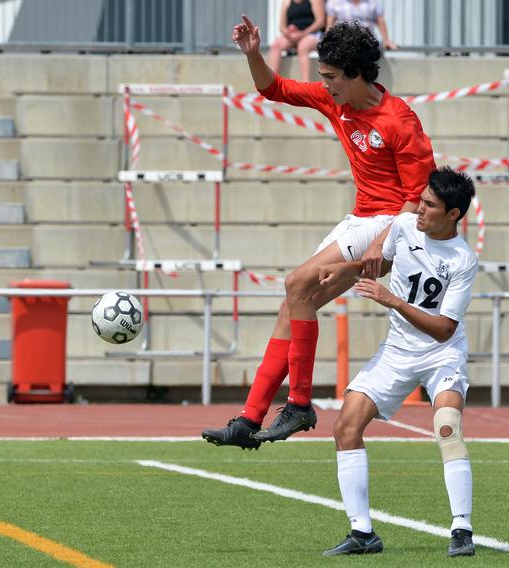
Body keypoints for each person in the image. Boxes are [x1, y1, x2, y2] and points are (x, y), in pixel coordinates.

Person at [202, 19, 435, 449]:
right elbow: (274, 89)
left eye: (329, 77)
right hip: (360, 220)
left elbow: (418, 195)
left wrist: (385, 244)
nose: (323, 85)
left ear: (355, 73)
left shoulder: (400, 119)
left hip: (391, 224)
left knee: (296, 283)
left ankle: (300, 403)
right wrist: (253, 52)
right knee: (294, 304)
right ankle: (249, 420)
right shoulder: (338, 103)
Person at [318, 167, 478, 557]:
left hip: (441, 354)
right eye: (420, 201)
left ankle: (462, 529)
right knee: (345, 426)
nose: (418, 209)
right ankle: (362, 533)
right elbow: (380, 264)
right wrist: (345, 269)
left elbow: (442, 329)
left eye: (429, 205)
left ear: (453, 214)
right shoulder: (405, 226)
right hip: (397, 351)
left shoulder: (463, 259)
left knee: (446, 426)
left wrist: (391, 299)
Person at [267, 0, 326, 82]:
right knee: (276, 45)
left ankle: (306, 86)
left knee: (303, 46)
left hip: (312, 33)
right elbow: (282, 26)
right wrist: (288, 33)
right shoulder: (287, 2)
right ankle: (270, 83)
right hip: (292, 35)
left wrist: (303, 33)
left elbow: (320, 22)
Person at [325, 0, 397, 50]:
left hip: (367, 42)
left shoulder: (373, 2)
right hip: (343, 42)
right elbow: (330, 24)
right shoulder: (334, 2)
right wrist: (326, 40)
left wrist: (386, 40)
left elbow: (380, 20)